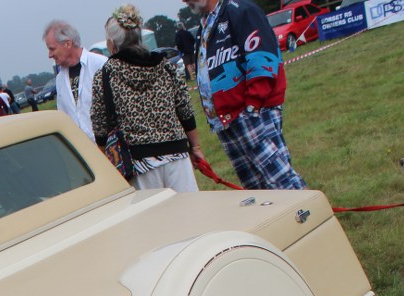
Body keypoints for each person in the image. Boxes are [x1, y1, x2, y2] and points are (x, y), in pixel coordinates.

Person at [186, 0, 307, 190]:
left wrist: (252, 106)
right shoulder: (206, 23)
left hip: (251, 112)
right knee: (256, 189)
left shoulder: (241, 10)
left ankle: (312, 208)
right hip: (226, 119)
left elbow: (262, 58)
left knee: (281, 180)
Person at [91, 5, 202, 193]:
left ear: (111, 43)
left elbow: (100, 127)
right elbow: (185, 111)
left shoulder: (105, 75)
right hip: (177, 154)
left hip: (138, 163)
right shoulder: (165, 66)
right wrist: (196, 147)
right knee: (191, 210)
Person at [43, 19, 108, 140]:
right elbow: (64, 119)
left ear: (68, 44)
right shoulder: (60, 80)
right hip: (81, 149)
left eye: (52, 49)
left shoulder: (101, 65)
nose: (49, 55)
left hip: (108, 146)